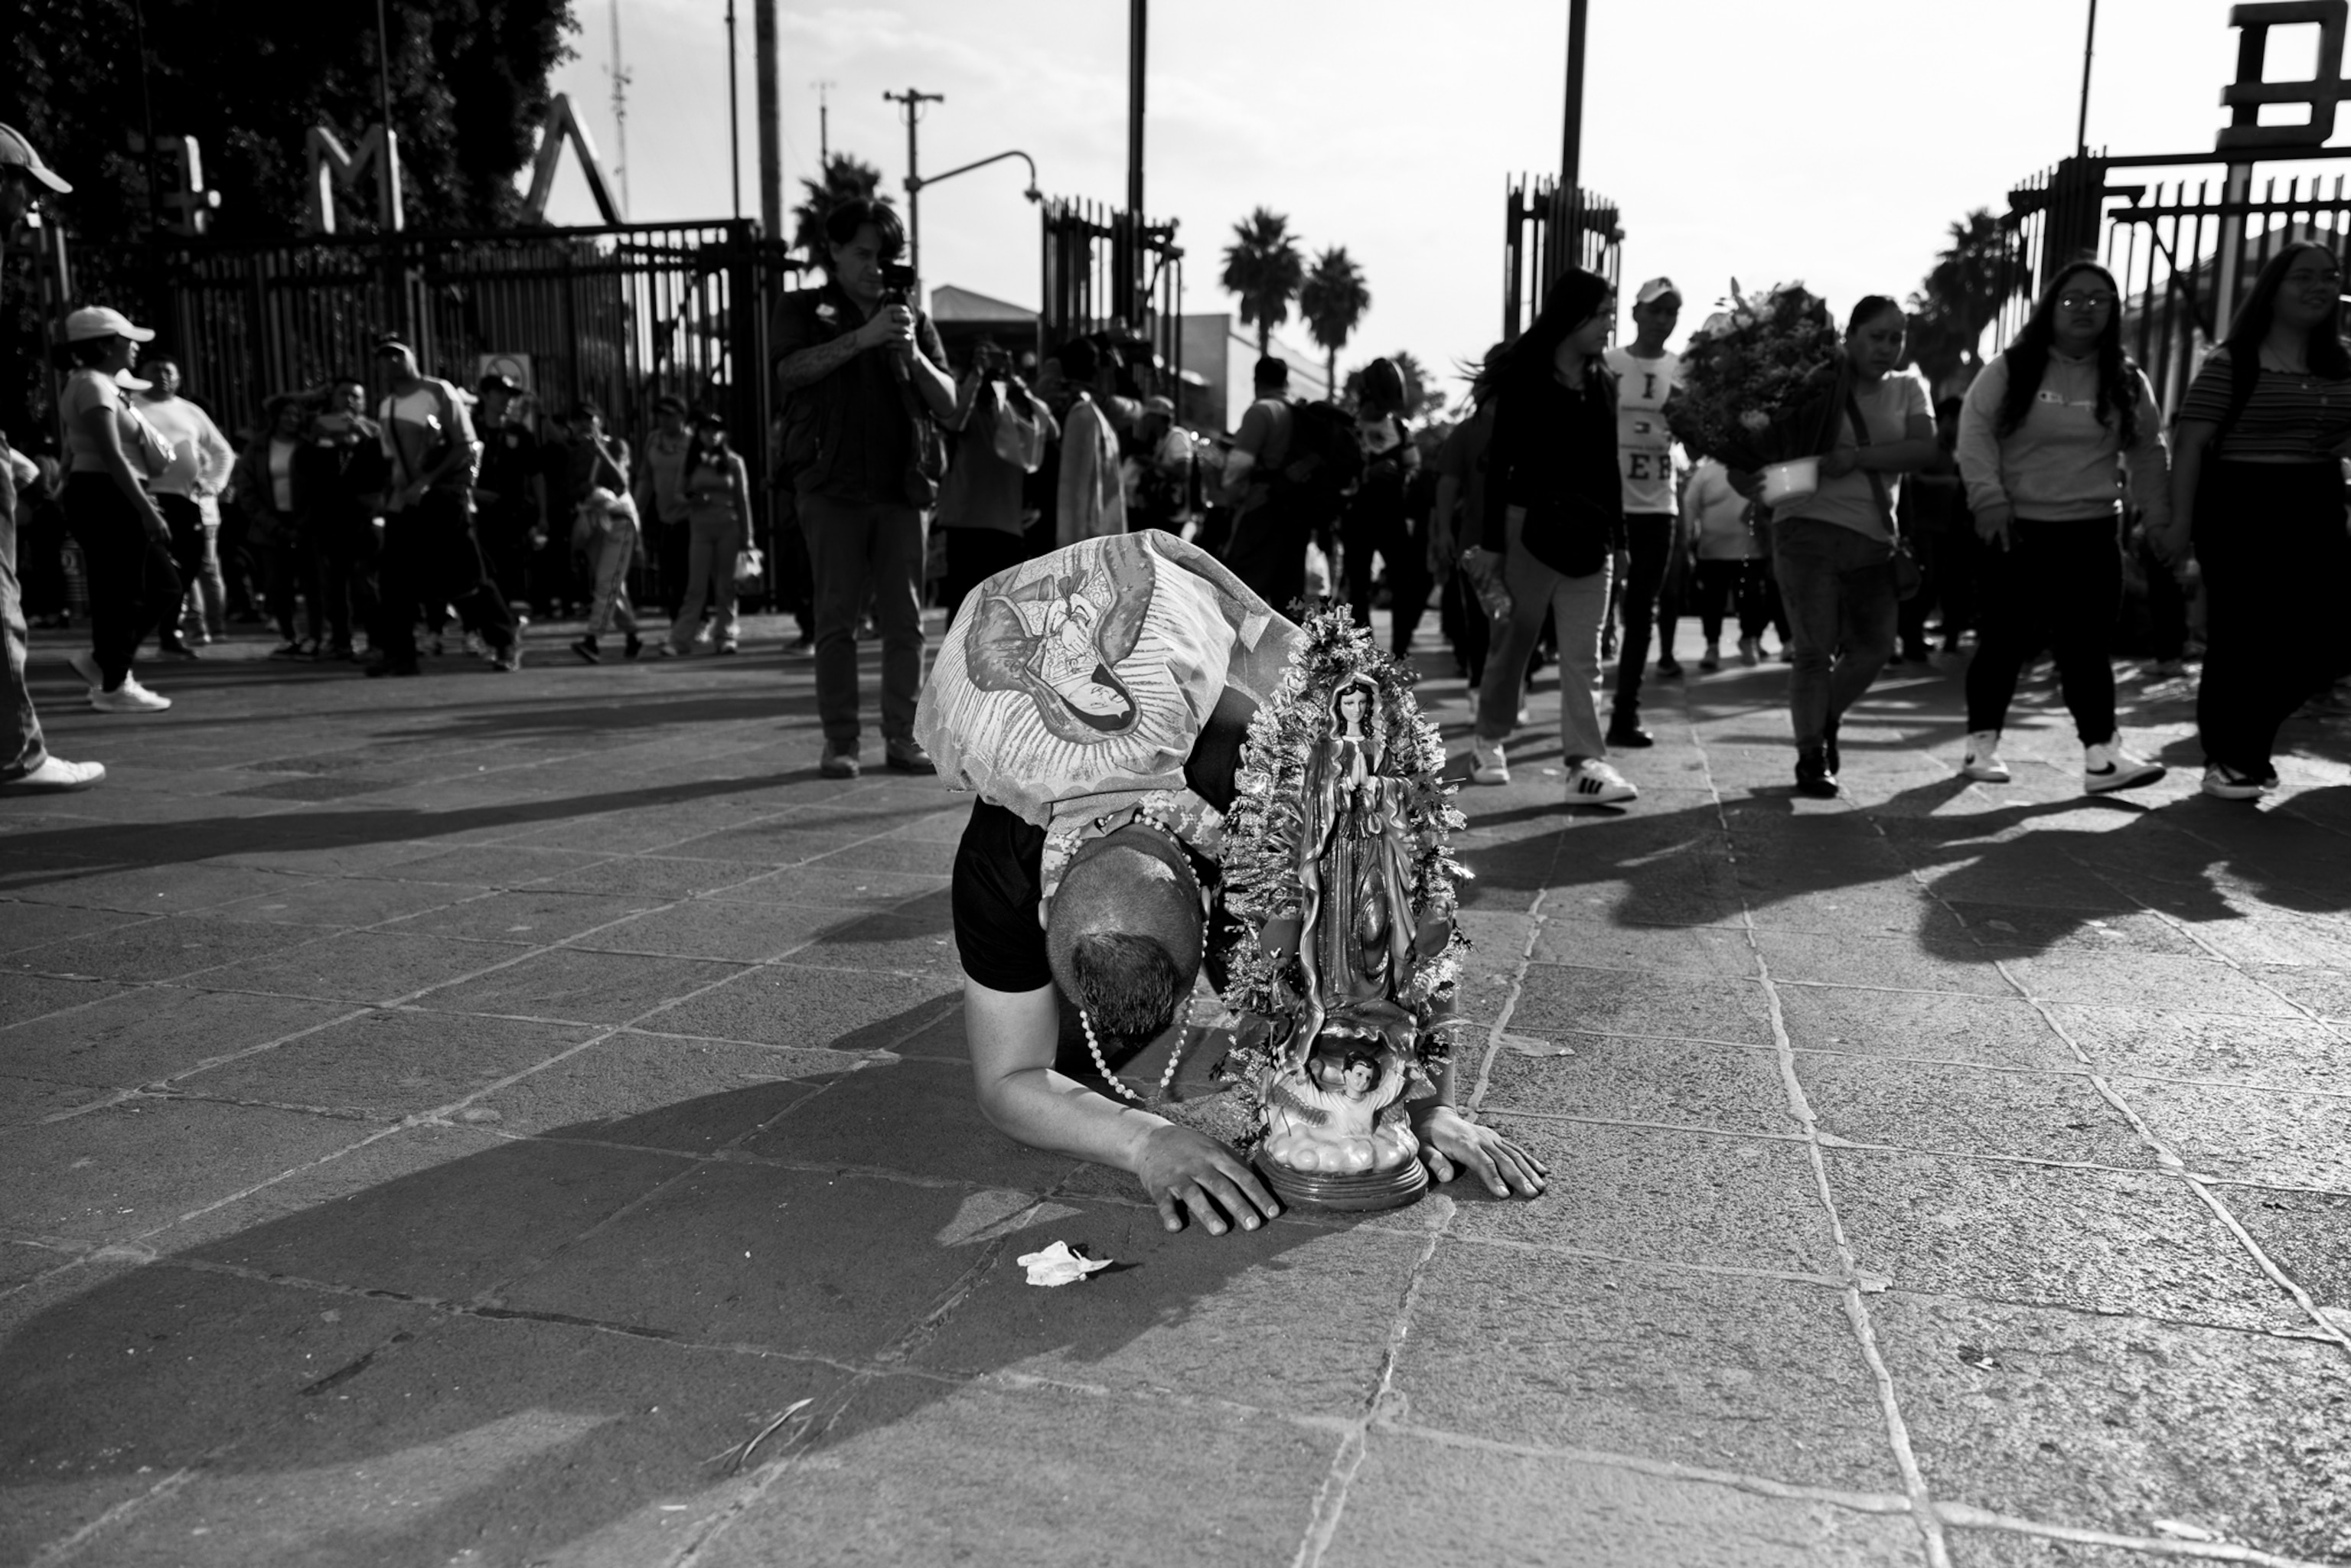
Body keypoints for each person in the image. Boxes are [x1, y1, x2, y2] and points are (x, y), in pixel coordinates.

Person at [917, 530, 1544, 1235]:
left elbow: (1407, 903)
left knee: (1317, 983)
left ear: (1209, 890)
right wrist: (1145, 1141)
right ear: (1043, 904)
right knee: (1071, 1053)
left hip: (1247, 839)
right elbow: (1007, 1084)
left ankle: (1260, 971)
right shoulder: (997, 863)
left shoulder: (1265, 779)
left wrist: (1432, 1107)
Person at [1955, 262, 2172, 794]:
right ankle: (1980, 745)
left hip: (2092, 532)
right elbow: (1975, 430)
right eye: (2072, 297)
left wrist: (2159, 518)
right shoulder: (2012, 368)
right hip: (2015, 527)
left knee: (2087, 645)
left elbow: (2147, 450)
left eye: (2099, 298)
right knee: (2005, 640)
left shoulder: (2124, 377)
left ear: (2113, 311)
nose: (2085, 307)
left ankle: (2102, 756)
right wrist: (1987, 498)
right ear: (2051, 306)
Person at [2159, 240, 2351, 800]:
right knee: (2244, 635)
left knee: (2334, 631)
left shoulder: (2344, 361)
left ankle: (2244, 741)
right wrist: (2177, 525)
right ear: (2272, 289)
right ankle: (2231, 757)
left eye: (2330, 276)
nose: (2319, 286)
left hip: (2315, 498)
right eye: (2304, 277)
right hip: (2240, 502)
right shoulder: (2232, 362)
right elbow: (2190, 443)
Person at [773, 197, 954, 778]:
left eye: (887, 256)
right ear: (833, 250)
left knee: (906, 621)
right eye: (864, 253)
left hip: (903, 490)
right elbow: (787, 372)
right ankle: (840, 740)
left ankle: (903, 736)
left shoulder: (912, 318)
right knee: (836, 620)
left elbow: (951, 404)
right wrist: (861, 338)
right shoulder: (803, 307)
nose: (876, 266)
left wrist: (911, 354)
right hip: (830, 487)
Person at [1464, 269, 1636, 805]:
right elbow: (1499, 468)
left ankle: (1586, 762)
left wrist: (1622, 539)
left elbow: (1610, 467)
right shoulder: (1524, 378)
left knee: (1585, 656)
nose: (1611, 323)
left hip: (1591, 536)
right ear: (1575, 315)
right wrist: (1493, 543)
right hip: (1525, 529)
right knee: (1513, 641)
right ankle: (1488, 741)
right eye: (1605, 312)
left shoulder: (1605, 383)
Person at [1762, 297, 1937, 797]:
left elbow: (1924, 450)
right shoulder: (1813, 385)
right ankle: (1810, 756)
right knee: (1813, 651)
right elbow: (1773, 459)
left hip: (1874, 540)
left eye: (1896, 337)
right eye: (1877, 336)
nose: (1887, 347)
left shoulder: (1908, 387)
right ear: (1850, 336)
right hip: (1805, 529)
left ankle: (1825, 717)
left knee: (1876, 648)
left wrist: (1857, 457)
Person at [367, 334, 520, 676]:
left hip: (443, 501)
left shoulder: (438, 391)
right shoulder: (387, 405)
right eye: (383, 356)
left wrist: (425, 482)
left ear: (412, 357)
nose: (390, 361)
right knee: (393, 581)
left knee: (467, 578)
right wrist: (389, 497)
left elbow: (464, 446)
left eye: (397, 354)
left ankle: (504, 641)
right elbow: (392, 460)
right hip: (402, 505)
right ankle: (400, 655)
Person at [58, 308, 181, 714]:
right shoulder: (92, 385)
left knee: (161, 587)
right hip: (106, 495)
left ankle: (105, 662)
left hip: (113, 493)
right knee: (122, 592)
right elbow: (110, 455)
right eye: (127, 339)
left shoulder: (100, 384)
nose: (134, 347)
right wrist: (146, 508)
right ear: (107, 344)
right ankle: (114, 684)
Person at [1603, 277, 1684, 743]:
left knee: (1642, 610)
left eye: (1671, 311)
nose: (1662, 319)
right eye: (1655, 310)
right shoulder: (1609, 364)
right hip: (1611, 504)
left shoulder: (1683, 370)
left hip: (1659, 506)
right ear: (1635, 313)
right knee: (1593, 610)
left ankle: (1625, 712)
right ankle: (1587, 697)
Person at [937, 338, 1055, 625]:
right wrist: (975, 375)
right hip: (968, 522)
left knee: (998, 614)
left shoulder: (1013, 414)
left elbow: (1051, 429)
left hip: (1002, 524)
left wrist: (1017, 384)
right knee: (963, 609)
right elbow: (953, 421)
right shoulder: (965, 406)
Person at [130, 355, 233, 654]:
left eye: (169, 371)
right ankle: (129, 638)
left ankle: (169, 632)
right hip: (143, 498)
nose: (163, 375)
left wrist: (212, 485)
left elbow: (223, 452)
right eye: (155, 369)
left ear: (178, 379)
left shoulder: (191, 411)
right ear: (141, 373)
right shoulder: (130, 405)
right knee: (150, 572)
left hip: (184, 501)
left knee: (189, 564)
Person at [294, 375, 386, 660]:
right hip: (328, 521)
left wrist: (366, 438)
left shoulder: (376, 434)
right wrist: (317, 439)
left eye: (356, 396)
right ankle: (341, 641)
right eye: (344, 394)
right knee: (333, 586)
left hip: (364, 521)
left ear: (364, 402)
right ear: (332, 398)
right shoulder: (318, 432)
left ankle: (378, 641)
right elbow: (304, 471)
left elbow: (386, 470)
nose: (349, 400)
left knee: (365, 584)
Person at [1339, 357, 1427, 656]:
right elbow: (1338, 479)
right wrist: (1367, 475)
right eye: (1379, 404)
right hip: (1358, 520)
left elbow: (1415, 468)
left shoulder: (1400, 430)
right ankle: (1366, 656)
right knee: (1358, 590)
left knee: (1407, 585)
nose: (1383, 411)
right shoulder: (1348, 429)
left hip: (1392, 518)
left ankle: (1400, 653)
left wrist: (1403, 477)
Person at [1430, 347, 1505, 688]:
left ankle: (1504, 687)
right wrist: (1444, 530)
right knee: (1480, 621)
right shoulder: (1467, 431)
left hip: (1523, 545)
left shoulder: (1532, 425)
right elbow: (1448, 483)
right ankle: (1483, 686)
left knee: (1513, 624)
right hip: (1476, 544)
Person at [233, 394, 321, 658]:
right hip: (270, 527)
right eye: (286, 414)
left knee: (312, 584)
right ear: (275, 418)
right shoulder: (257, 447)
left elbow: (320, 488)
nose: (292, 419)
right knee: (277, 586)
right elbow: (246, 490)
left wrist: (303, 523)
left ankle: (315, 636)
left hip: (305, 524)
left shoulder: (309, 446)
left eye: (297, 414)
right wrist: (272, 525)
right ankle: (289, 636)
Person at [661, 412, 752, 656]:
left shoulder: (734, 461)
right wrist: (695, 498)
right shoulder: (691, 462)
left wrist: (748, 535)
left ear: (723, 434)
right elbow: (679, 493)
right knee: (696, 587)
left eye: (717, 430)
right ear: (698, 434)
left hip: (728, 528)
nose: (712, 434)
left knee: (726, 586)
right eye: (706, 430)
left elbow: (742, 500)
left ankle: (725, 636)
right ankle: (680, 639)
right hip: (700, 529)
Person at [562, 399, 644, 663]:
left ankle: (593, 640)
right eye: (578, 420)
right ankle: (632, 635)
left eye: (589, 419)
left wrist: (597, 449)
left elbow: (620, 483)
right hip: (594, 521)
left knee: (606, 583)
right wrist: (584, 488)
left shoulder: (615, 446)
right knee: (609, 584)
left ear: (600, 421)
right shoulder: (572, 453)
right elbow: (569, 490)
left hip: (618, 519)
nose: (584, 424)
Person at [1221, 355, 1306, 608]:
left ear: (1257, 381)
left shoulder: (1261, 411)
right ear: (1285, 381)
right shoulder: (1299, 413)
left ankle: (1249, 647)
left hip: (1262, 509)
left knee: (1246, 591)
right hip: (1297, 512)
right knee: (1289, 597)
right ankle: (1293, 646)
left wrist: (1231, 495)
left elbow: (1241, 464)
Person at [1681, 458, 1773, 670]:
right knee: (1713, 601)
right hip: (1712, 552)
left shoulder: (1756, 468)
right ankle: (1712, 646)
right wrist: (1685, 542)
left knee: (1749, 598)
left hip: (1749, 552)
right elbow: (1690, 506)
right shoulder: (1706, 473)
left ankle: (1749, 639)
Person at [471, 373, 545, 614]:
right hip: (477, 513)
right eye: (500, 392)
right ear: (484, 395)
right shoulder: (469, 429)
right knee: (479, 568)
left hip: (512, 515)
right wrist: (473, 492)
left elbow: (536, 474)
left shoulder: (520, 433)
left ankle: (506, 628)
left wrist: (543, 514)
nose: (507, 399)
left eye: (511, 394)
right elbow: (453, 469)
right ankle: (478, 628)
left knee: (510, 570)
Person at [1052, 337, 1127, 545]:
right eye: (1094, 364)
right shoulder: (1081, 411)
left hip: (1089, 534)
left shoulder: (1088, 409)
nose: (1097, 370)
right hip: (1081, 537)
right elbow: (1076, 487)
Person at [633, 393, 693, 622]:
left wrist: (693, 498)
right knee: (669, 572)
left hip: (689, 517)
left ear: (682, 417)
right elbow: (645, 477)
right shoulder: (653, 440)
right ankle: (679, 622)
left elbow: (702, 481)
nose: (663, 420)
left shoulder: (692, 442)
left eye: (669, 415)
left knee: (688, 572)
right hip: (663, 516)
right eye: (660, 415)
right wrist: (635, 510)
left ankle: (694, 620)